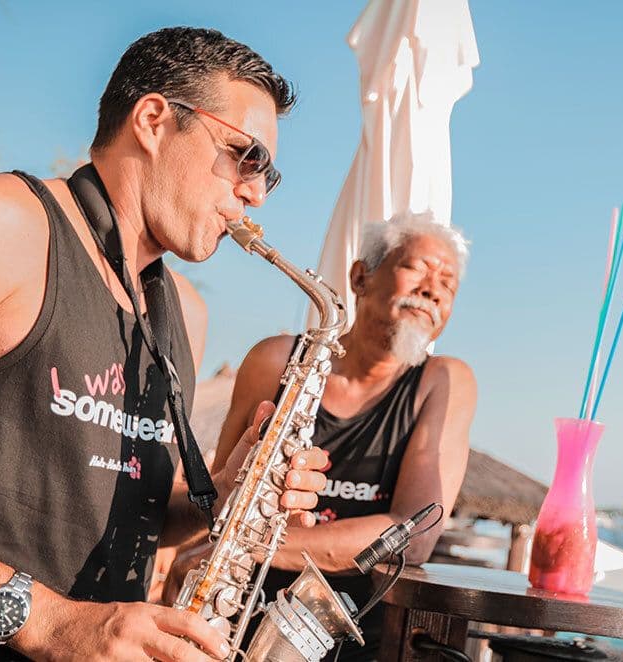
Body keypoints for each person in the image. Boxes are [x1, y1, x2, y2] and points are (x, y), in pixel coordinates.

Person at [0, 27, 331, 661]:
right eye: (245, 155)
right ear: (153, 121)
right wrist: (48, 623)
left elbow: (118, 508)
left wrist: (228, 496)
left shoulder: (183, 311)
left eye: (270, 172)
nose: (255, 190)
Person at [164, 214, 477, 660]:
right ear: (360, 276)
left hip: (358, 641)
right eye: (418, 268)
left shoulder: (445, 381)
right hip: (233, 619)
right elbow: (219, 498)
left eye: (449, 284)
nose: (434, 289)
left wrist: (252, 543)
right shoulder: (274, 360)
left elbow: (414, 533)